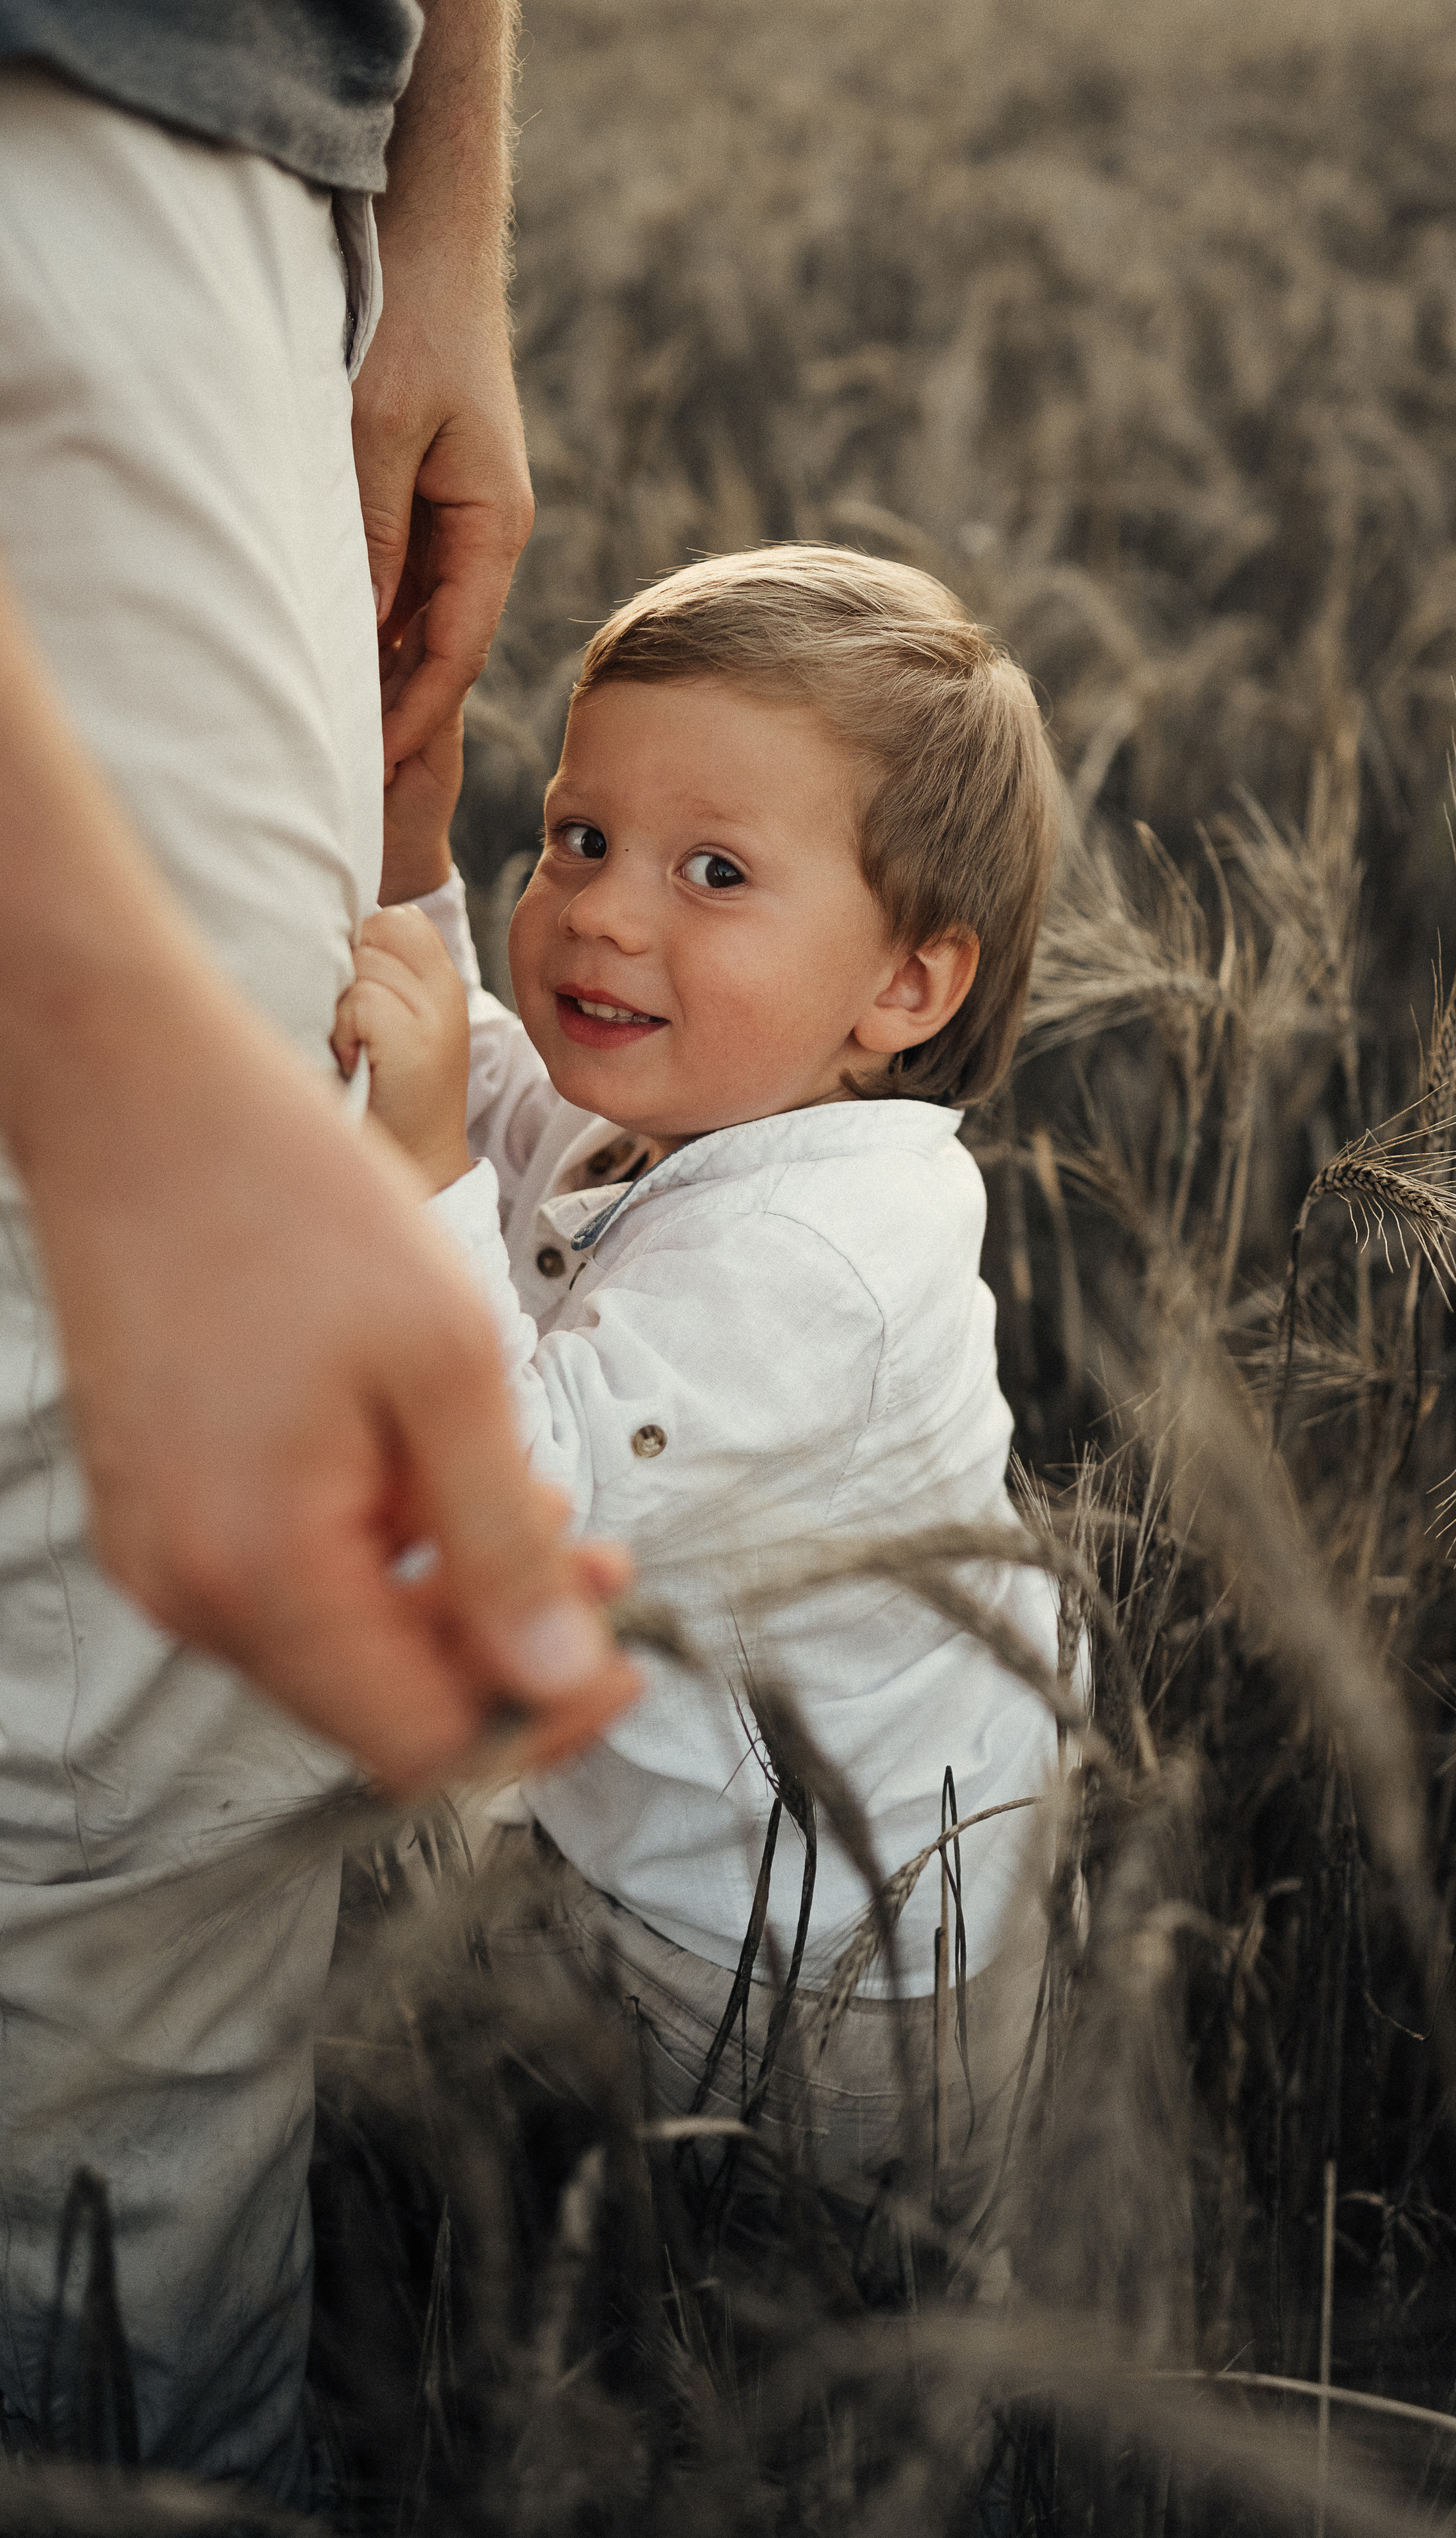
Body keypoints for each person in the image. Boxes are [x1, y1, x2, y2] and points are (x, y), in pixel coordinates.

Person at [0, 1, 635, 2496]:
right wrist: (120, 1051)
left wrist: (433, 213)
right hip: (99, 155)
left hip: (247, 175)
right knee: (118, 1740)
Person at [335, 545, 1065, 2243]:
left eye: (712, 871)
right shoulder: (702, 1095)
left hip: (807, 1983)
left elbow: (522, 1511)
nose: (599, 906)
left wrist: (417, 1156)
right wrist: (415, 856)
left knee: (729, 2336)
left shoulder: (821, 1244)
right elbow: (501, 1096)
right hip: (677, 1865)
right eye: (576, 837)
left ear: (905, 986)